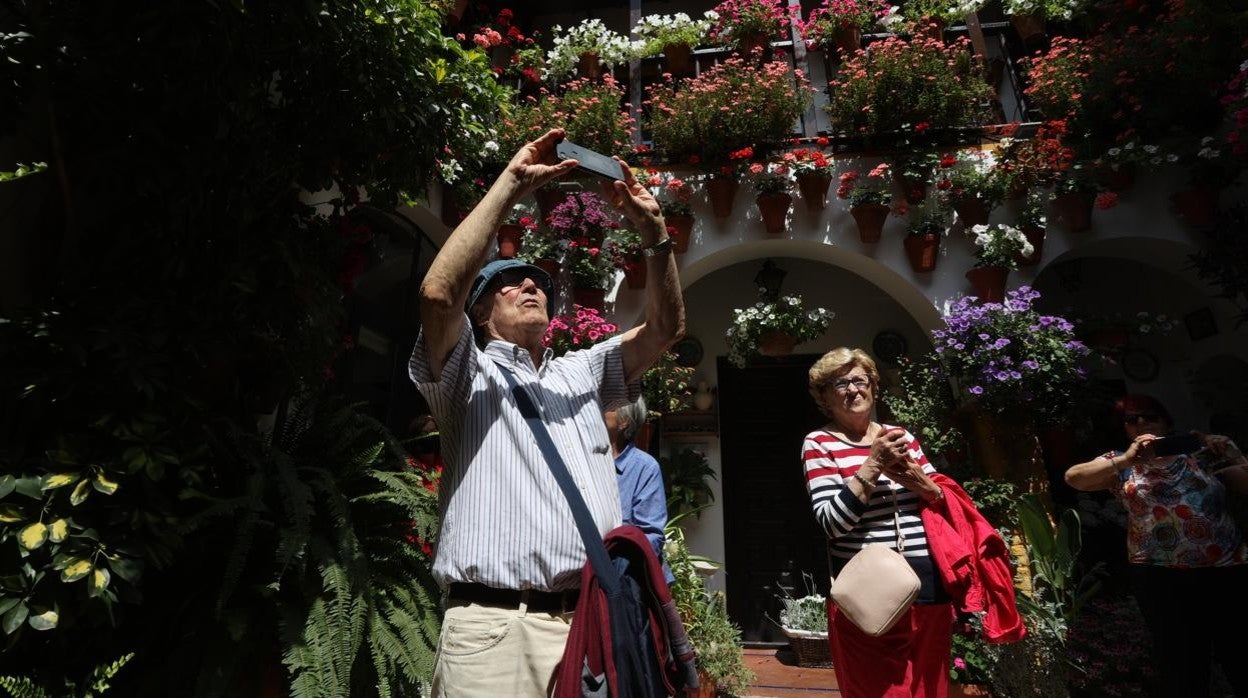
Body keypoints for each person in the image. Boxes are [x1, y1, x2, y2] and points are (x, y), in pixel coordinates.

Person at [408, 127, 684, 697]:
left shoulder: (579, 370)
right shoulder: (468, 375)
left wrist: (656, 237)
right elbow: (438, 295)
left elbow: (665, 329)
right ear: (481, 312)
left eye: (538, 281)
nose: (530, 283)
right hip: (495, 632)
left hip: (591, 624)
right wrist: (510, 184)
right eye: (510, 283)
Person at [1064, 394, 1248, 698]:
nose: (1141, 424)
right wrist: (1126, 459)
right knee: (1181, 660)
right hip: (1161, 576)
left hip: (1226, 568)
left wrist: (1233, 453)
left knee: (1240, 650)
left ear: (1166, 421)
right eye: (1131, 420)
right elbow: (1074, 478)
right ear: (1124, 429)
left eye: (1149, 416)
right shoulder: (1119, 463)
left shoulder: (1202, 454)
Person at [801, 347, 953, 698]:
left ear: (873, 386)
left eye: (860, 380)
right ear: (825, 396)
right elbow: (832, 523)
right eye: (841, 383)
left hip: (928, 585)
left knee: (931, 689)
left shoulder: (901, 436)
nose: (854, 389)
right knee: (878, 690)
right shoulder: (819, 443)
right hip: (869, 591)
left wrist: (914, 477)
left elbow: (939, 500)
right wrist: (872, 464)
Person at [604, 396, 675, 584]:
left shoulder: (645, 467)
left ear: (624, 422)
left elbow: (651, 537)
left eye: (606, 406)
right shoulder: (585, 463)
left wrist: (613, 557)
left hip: (627, 580)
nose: (597, 410)